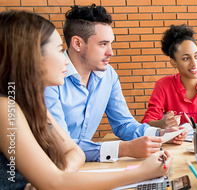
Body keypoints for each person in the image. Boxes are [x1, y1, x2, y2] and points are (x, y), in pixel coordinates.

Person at [0, 10, 172, 189]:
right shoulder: (6, 107)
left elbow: (75, 154)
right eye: (59, 50)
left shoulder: (32, 102)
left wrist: (50, 178)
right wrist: (142, 172)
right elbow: (54, 182)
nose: (65, 60)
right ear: (31, 57)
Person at [44, 4, 187, 163]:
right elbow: (61, 145)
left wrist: (160, 134)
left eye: (110, 43)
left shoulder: (108, 74)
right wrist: (123, 149)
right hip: (48, 167)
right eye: (103, 44)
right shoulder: (50, 78)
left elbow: (124, 124)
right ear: (77, 43)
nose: (111, 52)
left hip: (78, 164)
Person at [141, 24, 197, 128]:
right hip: (179, 143)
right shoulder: (163, 85)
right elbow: (146, 122)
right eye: (186, 58)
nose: (194, 63)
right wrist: (162, 123)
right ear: (173, 62)